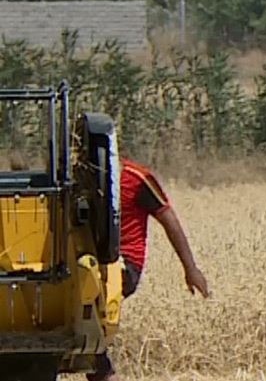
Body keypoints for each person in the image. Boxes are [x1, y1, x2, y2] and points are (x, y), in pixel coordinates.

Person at [89, 157, 210, 381]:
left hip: (124, 264)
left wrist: (190, 269)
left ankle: (102, 372)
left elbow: (168, 217)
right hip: (88, 265)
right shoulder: (80, 180)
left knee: (88, 312)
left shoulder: (136, 178)